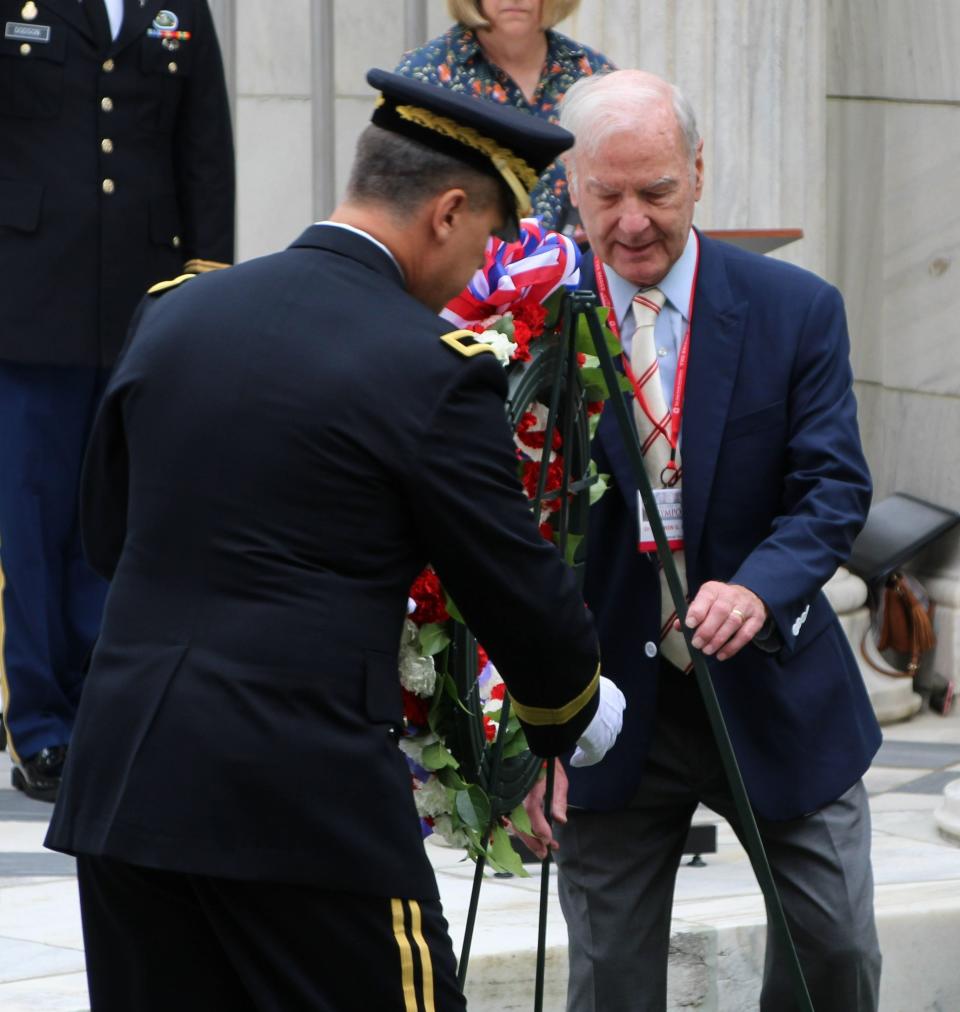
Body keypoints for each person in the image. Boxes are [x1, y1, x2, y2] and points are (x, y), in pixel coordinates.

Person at [45, 69, 626, 1012]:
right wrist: (572, 708)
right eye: (486, 235)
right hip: (301, 806)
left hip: (126, 787)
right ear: (445, 212)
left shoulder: (175, 310)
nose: (480, 261)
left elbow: (107, 535)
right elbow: (509, 578)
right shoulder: (428, 368)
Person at [519, 70, 883, 1011]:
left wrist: (760, 587)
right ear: (571, 186)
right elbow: (493, 528)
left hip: (770, 676)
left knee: (834, 953)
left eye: (657, 192)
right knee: (608, 980)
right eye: (607, 195)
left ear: (699, 174)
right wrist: (516, 735)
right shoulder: (526, 324)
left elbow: (833, 487)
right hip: (607, 700)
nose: (632, 221)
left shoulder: (793, 309)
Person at [0, 0, 235, 801]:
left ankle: (105, 707)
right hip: (25, 299)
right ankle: (38, 725)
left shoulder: (177, 9)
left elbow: (204, 146)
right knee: (31, 522)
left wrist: (204, 291)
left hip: (144, 298)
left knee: (123, 512)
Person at [395, 0, 612, 231]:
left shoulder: (591, 72)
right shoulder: (423, 75)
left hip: (574, 261)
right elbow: (401, 191)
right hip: (467, 261)